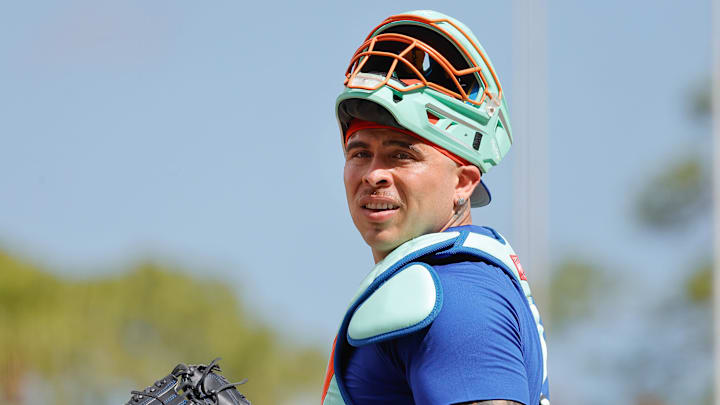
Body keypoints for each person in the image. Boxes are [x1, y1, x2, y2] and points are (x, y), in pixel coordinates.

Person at [321, 10, 549, 405]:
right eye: (360, 152)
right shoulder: (446, 280)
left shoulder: (450, 296)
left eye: (401, 155)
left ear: (463, 182)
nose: (374, 174)